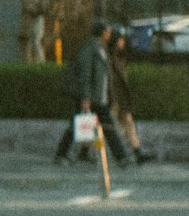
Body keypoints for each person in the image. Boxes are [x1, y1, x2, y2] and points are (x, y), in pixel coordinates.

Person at [52, 22, 129, 164]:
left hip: (99, 97)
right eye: (108, 31)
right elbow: (85, 74)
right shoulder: (89, 48)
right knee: (78, 125)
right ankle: (121, 157)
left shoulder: (100, 48)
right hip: (91, 97)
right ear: (102, 32)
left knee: (103, 126)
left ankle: (120, 156)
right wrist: (85, 97)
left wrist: (110, 98)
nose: (110, 34)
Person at [106, 31, 155, 163]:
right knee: (105, 125)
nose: (123, 43)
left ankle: (137, 152)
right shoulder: (109, 58)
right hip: (114, 97)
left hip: (121, 97)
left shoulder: (120, 57)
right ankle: (85, 150)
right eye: (120, 40)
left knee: (128, 123)